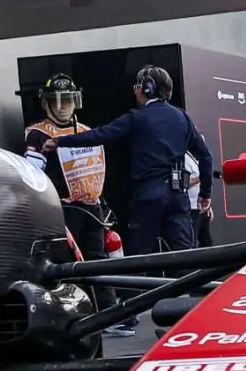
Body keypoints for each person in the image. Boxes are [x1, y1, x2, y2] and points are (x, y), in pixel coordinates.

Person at [44, 64, 212, 258]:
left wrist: (60, 141)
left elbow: (101, 135)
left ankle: (144, 290)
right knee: (185, 256)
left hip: (148, 197)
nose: (135, 90)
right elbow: (206, 157)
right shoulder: (182, 117)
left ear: (147, 88)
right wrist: (205, 194)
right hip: (177, 196)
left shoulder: (137, 118)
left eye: (138, 86)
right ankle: (189, 289)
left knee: (138, 259)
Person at [23, 74, 129, 332]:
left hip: (92, 208)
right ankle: (73, 319)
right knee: (64, 265)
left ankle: (108, 317)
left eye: (67, 100)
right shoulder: (37, 133)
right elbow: (31, 173)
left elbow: (98, 169)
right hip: (61, 209)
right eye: (56, 101)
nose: (62, 106)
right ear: (46, 104)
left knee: (97, 261)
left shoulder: (86, 131)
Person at [185, 132, 213, 247]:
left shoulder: (199, 161)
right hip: (190, 207)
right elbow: (183, 183)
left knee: (207, 242)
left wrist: (209, 207)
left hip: (201, 207)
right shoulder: (184, 158)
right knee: (191, 242)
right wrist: (201, 178)